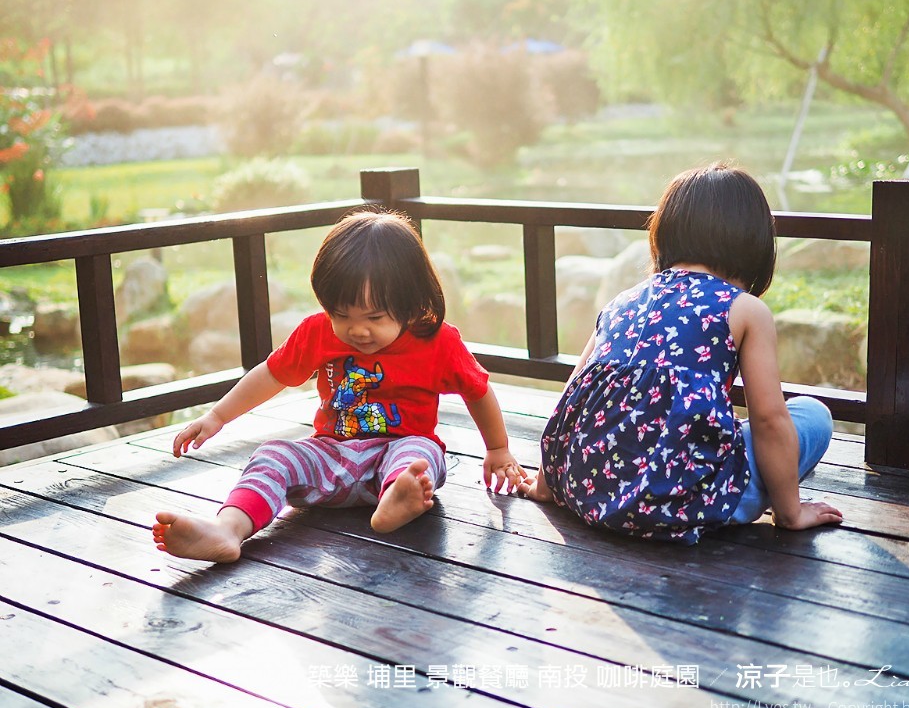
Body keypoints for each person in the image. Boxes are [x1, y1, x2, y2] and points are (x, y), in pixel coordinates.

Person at [153, 210, 526, 563]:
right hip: (331, 454)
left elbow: (477, 390)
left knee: (419, 454)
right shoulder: (316, 332)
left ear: (410, 303)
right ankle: (227, 530)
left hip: (396, 453)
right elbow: (271, 374)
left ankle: (398, 500)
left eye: (374, 317)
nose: (356, 330)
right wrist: (217, 416)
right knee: (273, 455)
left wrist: (497, 448)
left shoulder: (437, 340)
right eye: (341, 315)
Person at [517, 164, 843, 544]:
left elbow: (571, 399)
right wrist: (791, 513)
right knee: (813, 415)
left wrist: (546, 484)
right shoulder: (742, 309)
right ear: (753, 241)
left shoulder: (622, 302)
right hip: (682, 504)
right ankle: (769, 496)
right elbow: (769, 419)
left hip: (587, 491)